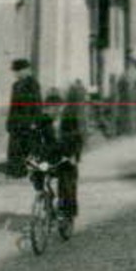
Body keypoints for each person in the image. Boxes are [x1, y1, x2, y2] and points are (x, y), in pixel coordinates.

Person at [5, 57, 46, 177]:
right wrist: (9, 121)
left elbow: (37, 104)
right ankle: (17, 172)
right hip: (17, 122)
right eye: (15, 71)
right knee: (15, 148)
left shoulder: (32, 84)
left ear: (26, 70)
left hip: (29, 121)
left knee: (31, 147)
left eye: (18, 71)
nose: (16, 74)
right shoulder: (16, 85)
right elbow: (13, 106)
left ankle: (37, 171)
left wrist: (35, 121)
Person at [55, 81, 85, 219]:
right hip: (66, 150)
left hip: (68, 149)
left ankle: (67, 209)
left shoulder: (73, 111)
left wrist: (74, 154)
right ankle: (66, 209)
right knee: (67, 182)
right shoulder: (73, 109)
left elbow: (78, 133)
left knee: (66, 182)